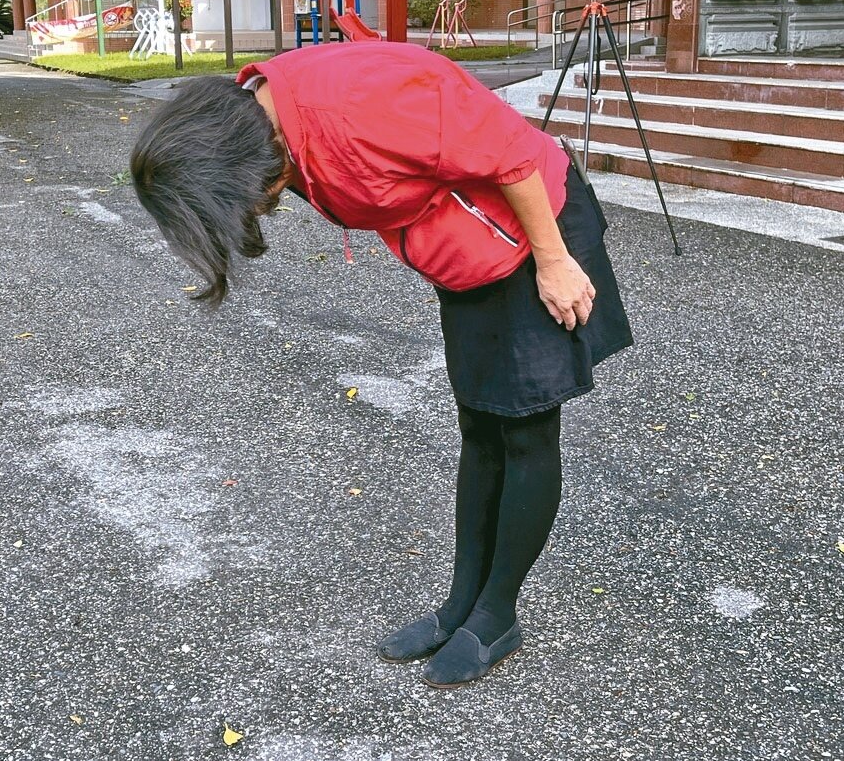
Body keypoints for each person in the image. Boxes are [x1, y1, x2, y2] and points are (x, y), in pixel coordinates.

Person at [129, 42, 632, 688]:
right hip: (470, 257)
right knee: (481, 430)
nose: (255, 209)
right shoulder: (258, 117)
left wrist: (554, 260)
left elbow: (506, 152)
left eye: (243, 200)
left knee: (525, 429)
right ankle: (460, 607)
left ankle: (496, 615)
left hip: (533, 238)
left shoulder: (362, 103)